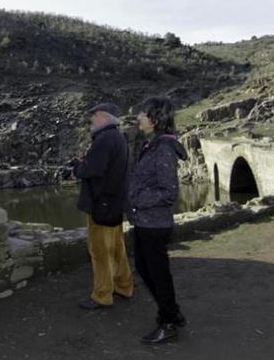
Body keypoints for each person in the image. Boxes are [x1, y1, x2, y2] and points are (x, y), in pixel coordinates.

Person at [128, 96, 188, 344]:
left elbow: (168, 192)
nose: (138, 117)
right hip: (145, 221)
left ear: (155, 118)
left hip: (154, 224)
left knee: (158, 273)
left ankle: (169, 323)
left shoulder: (162, 149)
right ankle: (172, 311)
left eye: (143, 113)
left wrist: (137, 198)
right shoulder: (150, 144)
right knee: (144, 267)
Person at [72, 102, 134, 309]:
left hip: (102, 203)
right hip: (114, 202)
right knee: (117, 247)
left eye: (95, 115)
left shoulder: (105, 139)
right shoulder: (118, 137)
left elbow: (94, 170)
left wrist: (78, 166)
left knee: (99, 250)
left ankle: (102, 295)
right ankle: (124, 285)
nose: (92, 119)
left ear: (106, 118)